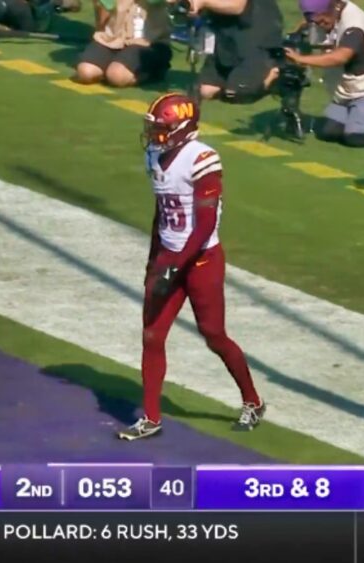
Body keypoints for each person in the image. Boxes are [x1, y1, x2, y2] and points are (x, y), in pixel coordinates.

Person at [118, 92, 265, 441]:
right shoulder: (155, 154)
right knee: (152, 336)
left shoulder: (202, 158)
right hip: (170, 256)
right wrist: (156, 258)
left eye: (161, 127)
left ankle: (252, 400)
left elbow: (204, 223)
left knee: (213, 335)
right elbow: (162, 213)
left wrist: (176, 265)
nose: (154, 135)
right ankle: (151, 417)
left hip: (200, 260)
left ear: (182, 128)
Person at [286, 0, 364, 147]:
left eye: (322, 18)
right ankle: (358, 117)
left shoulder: (354, 24)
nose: (319, 23)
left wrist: (300, 59)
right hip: (347, 92)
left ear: (333, 7)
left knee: (357, 137)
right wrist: (294, 36)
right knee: (328, 132)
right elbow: (307, 21)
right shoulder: (330, 12)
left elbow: (341, 57)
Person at [168, 0, 284, 105]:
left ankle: (277, 76)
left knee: (237, 92)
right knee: (204, 90)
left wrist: (203, 2)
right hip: (226, 33)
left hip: (257, 33)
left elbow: (237, 6)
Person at [74, 0, 173, 87]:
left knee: (116, 76)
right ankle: (117, 65)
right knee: (86, 72)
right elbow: (103, 11)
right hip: (113, 39)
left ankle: (156, 70)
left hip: (148, 42)